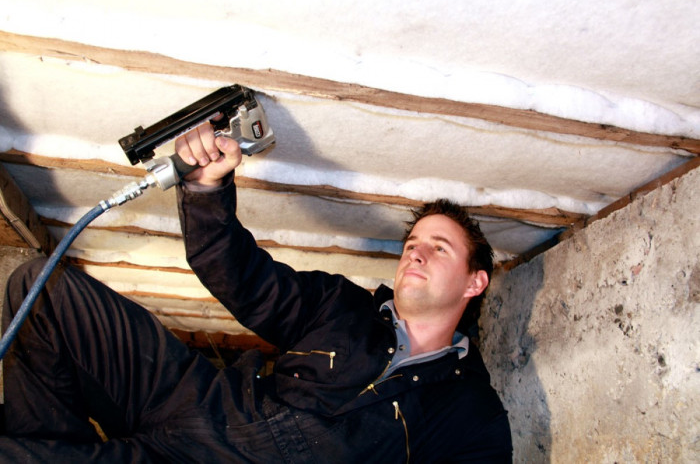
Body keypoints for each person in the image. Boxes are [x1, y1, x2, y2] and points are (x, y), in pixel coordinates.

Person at [0, 122, 512, 462]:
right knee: (41, 290)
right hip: (203, 399)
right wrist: (205, 190)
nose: (415, 253)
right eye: (413, 242)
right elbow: (244, 279)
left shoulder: (470, 410)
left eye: (439, 248)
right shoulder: (343, 306)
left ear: (475, 282)